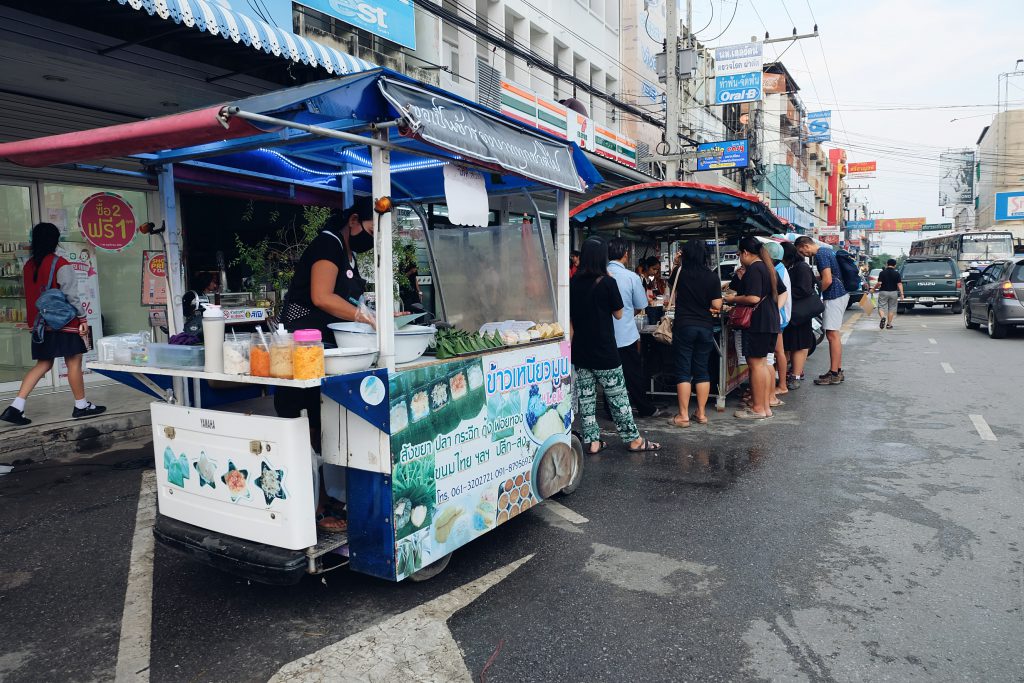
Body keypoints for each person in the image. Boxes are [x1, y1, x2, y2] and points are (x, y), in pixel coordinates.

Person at [275, 197, 377, 532]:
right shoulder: (327, 244)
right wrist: (366, 318)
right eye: (371, 227)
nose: (372, 235)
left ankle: (327, 496)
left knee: (325, 424)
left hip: (325, 350)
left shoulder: (349, 254)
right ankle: (315, 507)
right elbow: (321, 297)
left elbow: (347, 299)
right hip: (302, 348)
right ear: (353, 221)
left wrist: (371, 311)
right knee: (307, 427)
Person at [1, 223, 105, 427]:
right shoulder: (60, 264)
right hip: (65, 322)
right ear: (55, 241)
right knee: (74, 362)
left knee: (43, 364)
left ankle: (16, 407)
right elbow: (71, 296)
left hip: (41, 323)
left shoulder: (29, 265)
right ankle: (81, 406)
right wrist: (82, 318)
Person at [570, 238, 660, 454]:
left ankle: (592, 442)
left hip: (581, 351)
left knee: (587, 400)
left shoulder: (572, 283)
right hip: (605, 351)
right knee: (618, 398)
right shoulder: (608, 282)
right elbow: (619, 314)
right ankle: (633, 440)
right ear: (602, 258)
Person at [724, 236, 786, 419]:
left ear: (745, 253)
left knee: (756, 364)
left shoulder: (755, 269)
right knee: (765, 363)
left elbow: (753, 298)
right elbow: (781, 292)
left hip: (757, 322)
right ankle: (765, 407)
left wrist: (732, 299)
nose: (739, 258)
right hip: (770, 319)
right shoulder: (768, 268)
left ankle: (758, 408)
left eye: (739, 254)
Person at [669, 239, 722, 427]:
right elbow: (717, 305)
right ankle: (701, 413)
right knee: (701, 370)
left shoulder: (679, 273)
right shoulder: (711, 276)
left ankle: (683, 415)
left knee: (683, 370)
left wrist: (676, 263)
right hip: (705, 327)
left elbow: (672, 293)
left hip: (684, 326)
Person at [606, 238, 660, 419]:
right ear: (625, 255)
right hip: (625, 334)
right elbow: (640, 304)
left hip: (604, 335)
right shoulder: (631, 277)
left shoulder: (602, 275)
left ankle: (610, 410)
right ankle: (644, 408)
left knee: (608, 374)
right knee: (633, 373)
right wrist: (628, 313)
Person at [795, 236, 848, 386]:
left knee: (832, 335)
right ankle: (836, 370)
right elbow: (828, 275)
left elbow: (828, 280)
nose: (804, 255)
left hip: (834, 295)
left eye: (802, 251)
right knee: (833, 334)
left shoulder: (820, 254)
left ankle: (834, 373)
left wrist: (817, 295)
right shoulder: (826, 251)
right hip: (839, 294)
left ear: (805, 245)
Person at [782, 242, 815, 389]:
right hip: (792, 311)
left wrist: (785, 295)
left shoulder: (801, 267)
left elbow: (804, 289)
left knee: (799, 345)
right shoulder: (792, 267)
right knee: (791, 344)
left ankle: (795, 375)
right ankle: (791, 373)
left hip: (800, 313)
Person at [764, 242, 791, 400]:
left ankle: (781, 385)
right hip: (779, 315)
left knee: (777, 352)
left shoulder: (775, 271)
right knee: (778, 352)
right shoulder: (781, 268)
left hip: (777, 315)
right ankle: (779, 385)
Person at [873, 258, 904, 330]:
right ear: (895, 265)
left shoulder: (882, 273)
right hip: (893, 292)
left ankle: (883, 317)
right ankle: (889, 324)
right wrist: (902, 294)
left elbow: (879, 283)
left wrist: (873, 289)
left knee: (881, 307)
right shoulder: (897, 273)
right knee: (891, 309)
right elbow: (899, 284)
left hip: (883, 292)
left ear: (887, 264)